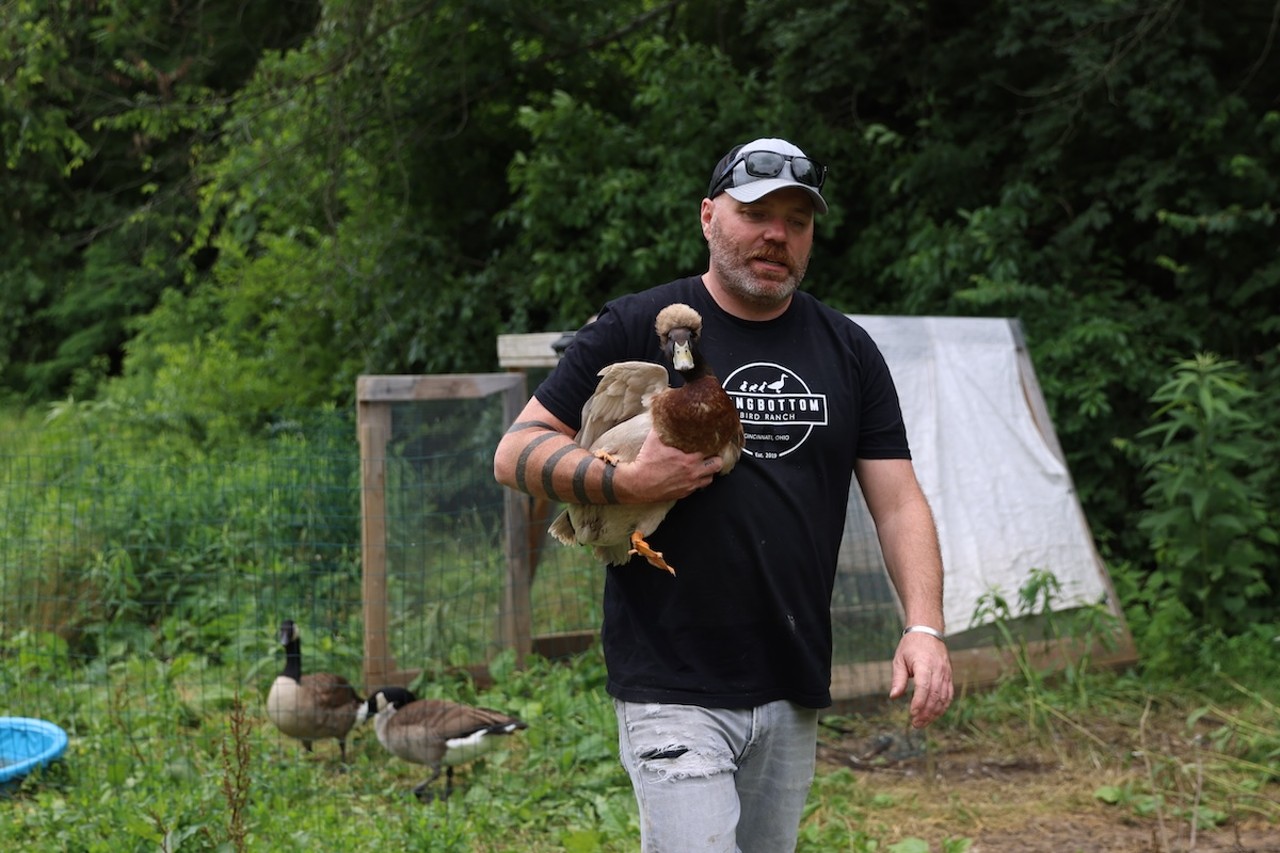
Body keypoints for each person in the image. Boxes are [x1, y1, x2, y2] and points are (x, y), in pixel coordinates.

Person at [493, 137, 953, 852]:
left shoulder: (848, 348)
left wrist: (923, 627)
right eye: (756, 212)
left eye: (796, 220)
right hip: (671, 678)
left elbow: (897, 500)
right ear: (709, 216)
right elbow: (514, 450)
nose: (778, 234)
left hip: (791, 673)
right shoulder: (636, 323)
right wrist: (625, 480)